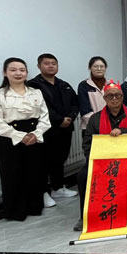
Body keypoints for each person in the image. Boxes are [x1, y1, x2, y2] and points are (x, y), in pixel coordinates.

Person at [75, 79, 127, 231]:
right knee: (83, 175)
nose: (114, 99)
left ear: (122, 97)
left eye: (118, 95)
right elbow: (87, 143)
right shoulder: (95, 119)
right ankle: (84, 215)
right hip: (101, 160)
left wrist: (123, 131)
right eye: (110, 96)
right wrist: (95, 160)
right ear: (104, 98)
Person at [0, 58, 51, 221]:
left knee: (35, 173)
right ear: (5, 73)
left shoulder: (36, 92)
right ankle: (16, 211)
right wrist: (20, 136)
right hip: (9, 138)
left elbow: (44, 116)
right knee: (12, 174)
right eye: (13, 70)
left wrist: (36, 134)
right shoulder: (0, 95)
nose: (18, 73)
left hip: (34, 136)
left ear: (27, 73)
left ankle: (34, 207)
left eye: (22, 70)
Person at [28, 53, 79, 206]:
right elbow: (39, 107)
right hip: (46, 130)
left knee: (60, 159)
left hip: (65, 129)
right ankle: (43, 192)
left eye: (53, 63)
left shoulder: (64, 85)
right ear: (39, 66)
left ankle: (58, 188)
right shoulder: (33, 85)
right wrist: (59, 120)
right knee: (43, 162)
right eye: (47, 63)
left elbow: (75, 103)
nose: (50, 66)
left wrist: (70, 117)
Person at [77, 56, 107, 130]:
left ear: (105, 68)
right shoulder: (84, 85)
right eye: (95, 66)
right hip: (90, 126)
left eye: (102, 66)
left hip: (109, 126)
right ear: (90, 68)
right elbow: (84, 109)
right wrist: (97, 124)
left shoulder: (111, 85)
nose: (99, 69)